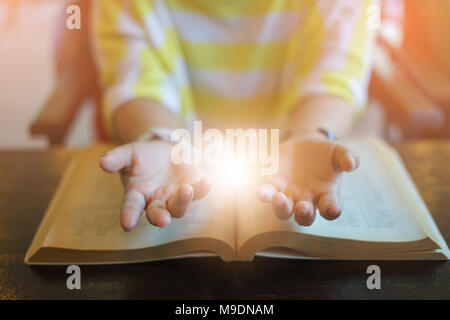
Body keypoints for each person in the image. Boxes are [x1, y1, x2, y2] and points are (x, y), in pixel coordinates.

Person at [92, 0, 376, 231]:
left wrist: (310, 134)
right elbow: (135, 79)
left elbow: (335, 72)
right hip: (182, 176)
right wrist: (160, 139)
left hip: (281, 172)